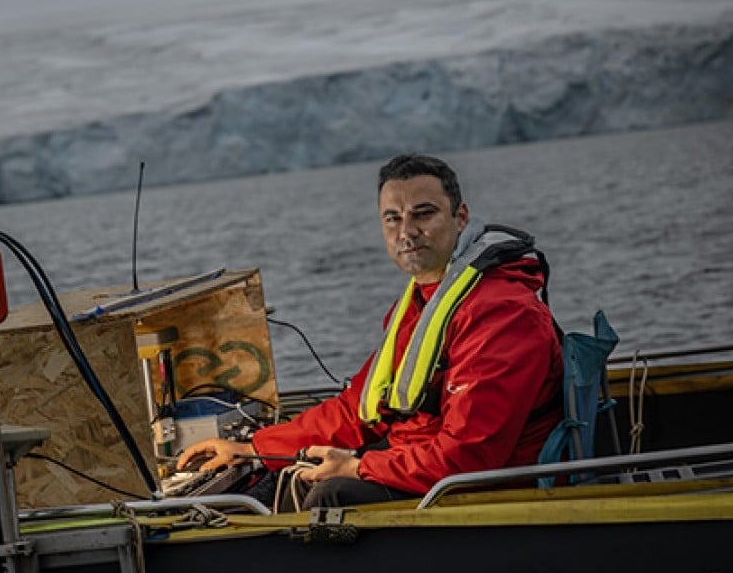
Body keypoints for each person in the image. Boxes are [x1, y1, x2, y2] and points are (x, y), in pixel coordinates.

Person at [177, 153, 563, 507]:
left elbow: (470, 455)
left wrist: (357, 467)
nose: (406, 232)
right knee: (268, 479)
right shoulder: (423, 302)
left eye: (423, 214)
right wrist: (254, 449)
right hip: (422, 463)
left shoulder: (501, 314)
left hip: (482, 492)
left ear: (460, 218)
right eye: (393, 218)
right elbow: (356, 409)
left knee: (329, 498)